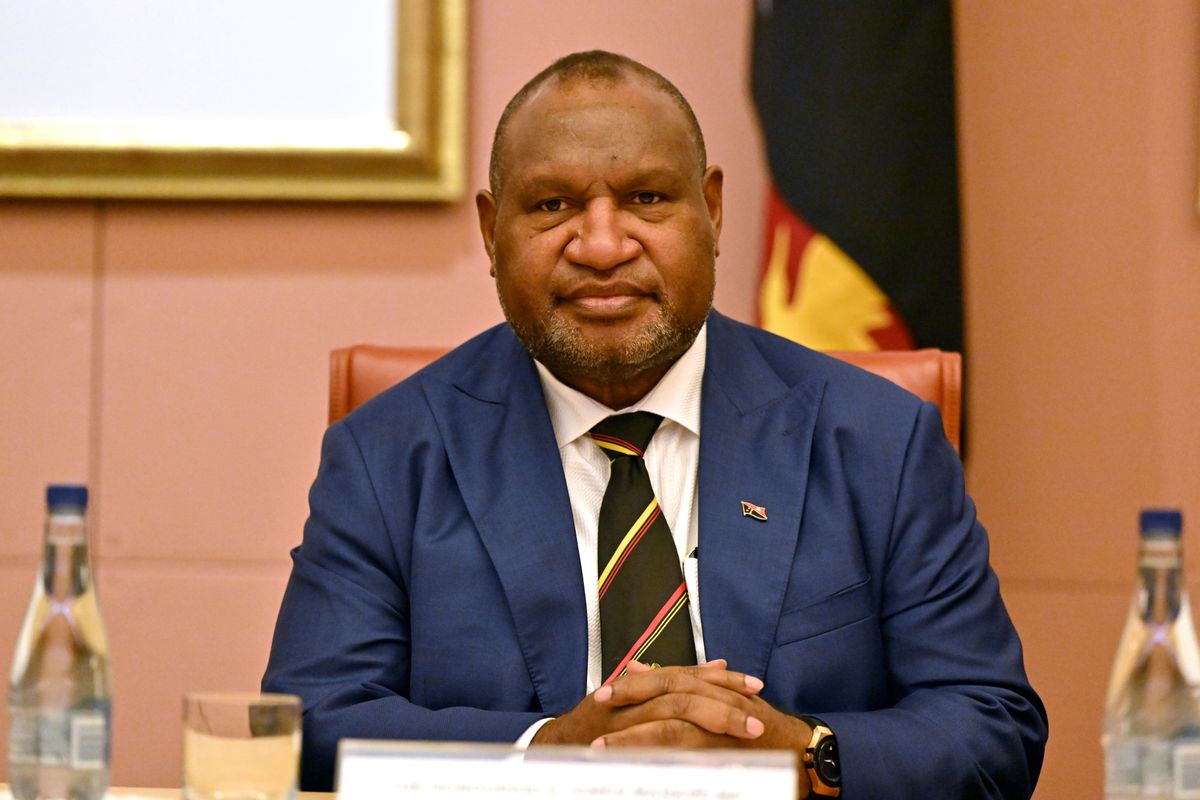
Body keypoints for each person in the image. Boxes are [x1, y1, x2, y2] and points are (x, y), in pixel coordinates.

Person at [263, 50, 1048, 798]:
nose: (602, 247)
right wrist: (545, 756)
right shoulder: (388, 454)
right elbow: (313, 722)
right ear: (490, 232)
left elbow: (992, 729)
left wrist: (804, 753)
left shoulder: (879, 440)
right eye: (552, 205)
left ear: (710, 210)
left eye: (646, 199)